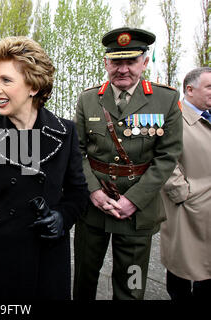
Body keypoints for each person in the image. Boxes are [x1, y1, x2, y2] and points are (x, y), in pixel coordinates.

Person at [0, 36, 89, 300]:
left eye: (6, 80)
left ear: (33, 86)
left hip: (48, 257)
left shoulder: (65, 132)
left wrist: (62, 217)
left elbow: (78, 193)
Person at [73, 27, 183, 300]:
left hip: (137, 212)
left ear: (144, 62)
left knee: (131, 285)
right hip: (94, 208)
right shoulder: (89, 99)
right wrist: (94, 192)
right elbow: (77, 151)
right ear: (106, 63)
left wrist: (133, 199)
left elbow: (167, 156)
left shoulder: (165, 99)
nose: (123, 69)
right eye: (116, 61)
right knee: (84, 278)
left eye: (130, 61)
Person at [160, 67, 211, 300]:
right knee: (181, 265)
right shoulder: (173, 118)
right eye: (209, 87)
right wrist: (184, 195)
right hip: (189, 207)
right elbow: (165, 161)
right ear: (189, 90)